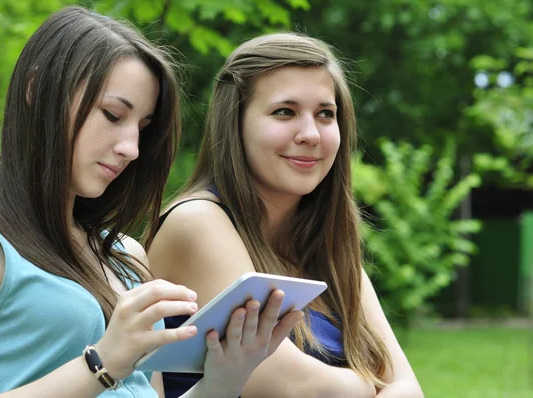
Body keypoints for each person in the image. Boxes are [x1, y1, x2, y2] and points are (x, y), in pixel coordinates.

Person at [0, 7, 303, 398]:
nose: (131, 148)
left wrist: (226, 376)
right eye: (112, 115)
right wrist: (102, 364)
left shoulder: (126, 255)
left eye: (142, 128)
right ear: (36, 89)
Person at [147, 32, 424, 398]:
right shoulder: (197, 222)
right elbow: (291, 387)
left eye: (325, 114)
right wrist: (370, 385)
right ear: (236, 123)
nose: (310, 133)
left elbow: (409, 387)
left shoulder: (328, 249)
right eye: (285, 112)